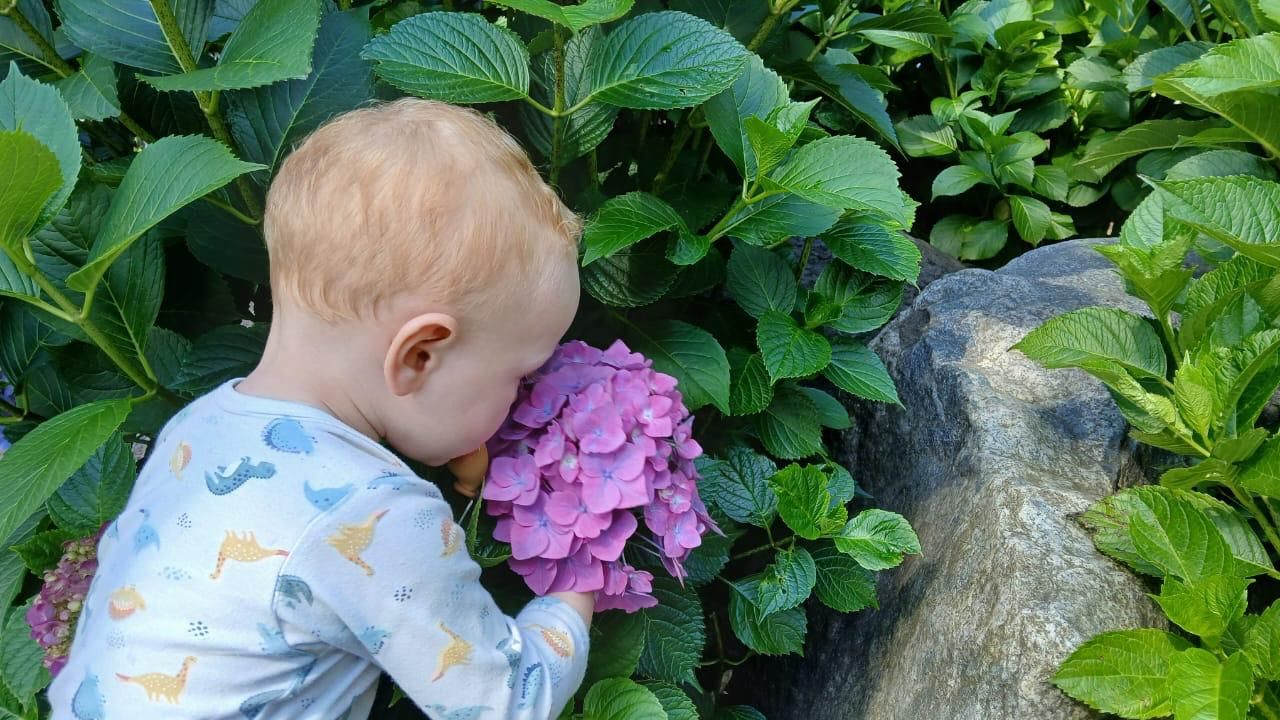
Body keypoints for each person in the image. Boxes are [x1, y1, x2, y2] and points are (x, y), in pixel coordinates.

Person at [47, 98, 592, 720]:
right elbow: (507, 702)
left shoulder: (197, 428)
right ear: (418, 355)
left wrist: (457, 440)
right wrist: (582, 578)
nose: (524, 394)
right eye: (519, 377)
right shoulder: (377, 517)